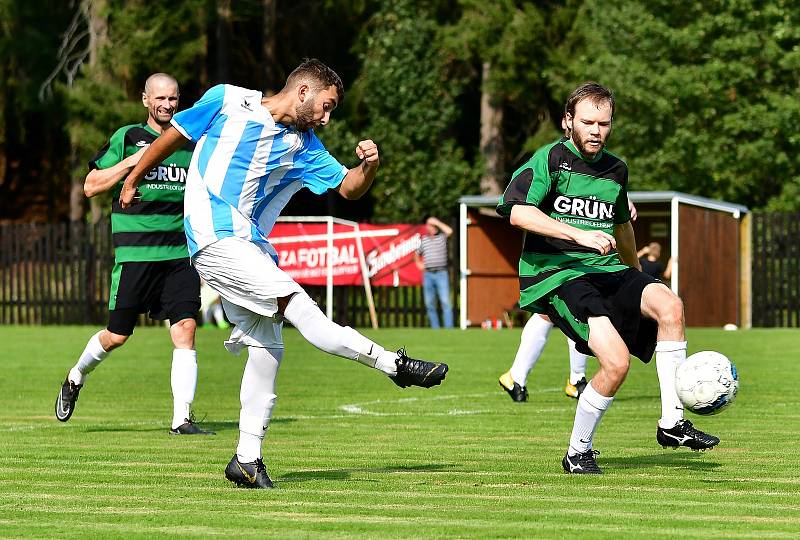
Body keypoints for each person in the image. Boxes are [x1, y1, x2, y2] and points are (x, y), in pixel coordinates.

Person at [118, 59, 449, 489]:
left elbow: (348, 188)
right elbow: (171, 138)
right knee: (305, 314)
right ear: (305, 92)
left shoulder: (305, 146)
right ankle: (393, 364)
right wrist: (132, 180)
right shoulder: (226, 100)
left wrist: (369, 167)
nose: (328, 118)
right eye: (326, 107)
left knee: (267, 348)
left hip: (248, 245)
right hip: (216, 238)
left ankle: (246, 459)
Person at [497, 82, 719, 475]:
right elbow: (516, 212)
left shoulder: (616, 169)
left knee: (670, 305)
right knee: (616, 364)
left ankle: (672, 422)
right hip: (558, 275)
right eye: (587, 122)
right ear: (568, 122)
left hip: (608, 271)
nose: (596, 130)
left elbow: (622, 228)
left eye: (604, 123)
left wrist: (637, 278)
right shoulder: (549, 159)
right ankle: (577, 452)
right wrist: (579, 234)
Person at [54, 73, 213, 435]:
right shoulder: (127, 138)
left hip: (179, 255)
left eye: (173, 98)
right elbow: (91, 185)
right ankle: (76, 376)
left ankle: (181, 419)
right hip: (136, 256)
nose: (167, 105)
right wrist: (133, 163)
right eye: (160, 98)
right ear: (146, 100)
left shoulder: (190, 145)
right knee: (117, 336)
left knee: (186, 329)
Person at [414, 216, 454, 328]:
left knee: (445, 302)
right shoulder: (424, 240)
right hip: (428, 274)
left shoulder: (441, 237)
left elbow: (450, 231)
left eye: (431, 225)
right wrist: (418, 263)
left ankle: (449, 329)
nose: (428, 227)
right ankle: (435, 329)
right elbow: (417, 254)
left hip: (441, 274)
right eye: (428, 225)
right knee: (429, 303)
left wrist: (437, 222)